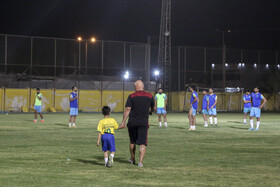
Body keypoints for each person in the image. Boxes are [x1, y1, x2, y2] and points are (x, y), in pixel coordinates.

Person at [119, 80, 154, 167]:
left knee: (132, 141)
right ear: (143, 86)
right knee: (142, 143)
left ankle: (132, 158)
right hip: (144, 122)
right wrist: (151, 112)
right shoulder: (149, 96)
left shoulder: (131, 96)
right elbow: (153, 107)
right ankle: (140, 162)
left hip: (132, 122)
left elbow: (127, 109)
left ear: (135, 87)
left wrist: (123, 122)